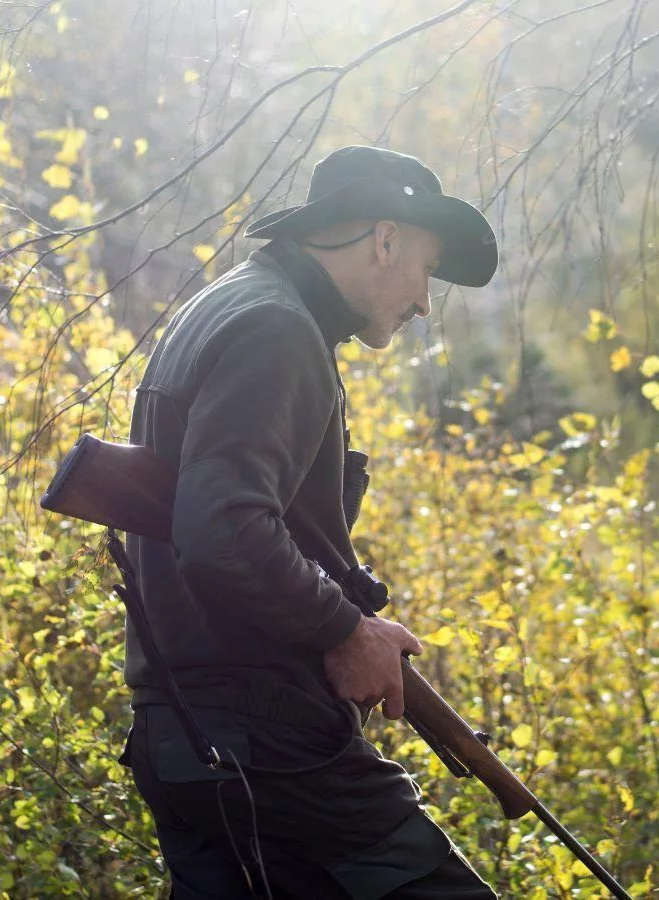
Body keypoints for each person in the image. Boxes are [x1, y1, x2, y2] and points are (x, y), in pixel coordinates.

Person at [119, 145, 499, 899]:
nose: (425, 302)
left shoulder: (230, 303)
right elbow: (223, 530)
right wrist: (346, 631)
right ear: (385, 240)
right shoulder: (277, 330)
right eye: (425, 270)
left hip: (184, 734)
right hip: (266, 736)